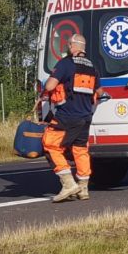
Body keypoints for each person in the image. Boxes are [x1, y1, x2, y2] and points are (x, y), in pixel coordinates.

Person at [40, 34, 103, 202]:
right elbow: (100, 92)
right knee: (80, 150)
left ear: (71, 46)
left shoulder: (65, 64)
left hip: (67, 116)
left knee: (50, 145)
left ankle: (68, 184)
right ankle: (83, 188)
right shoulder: (92, 67)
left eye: (68, 45)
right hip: (85, 116)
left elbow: (50, 86)